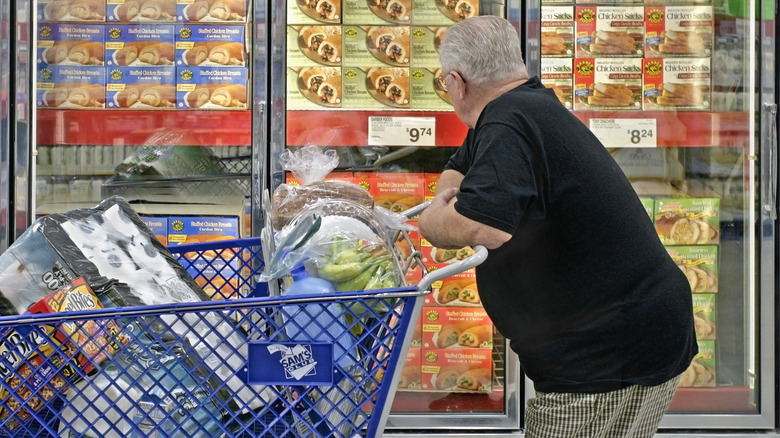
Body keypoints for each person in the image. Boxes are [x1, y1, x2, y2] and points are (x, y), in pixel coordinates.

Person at [418, 16, 697, 438]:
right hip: (635, 329)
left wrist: (432, 220)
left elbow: (484, 225)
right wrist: (448, 199)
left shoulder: (510, 121)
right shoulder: (517, 108)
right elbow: (458, 170)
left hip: (605, 352)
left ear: (456, 82)